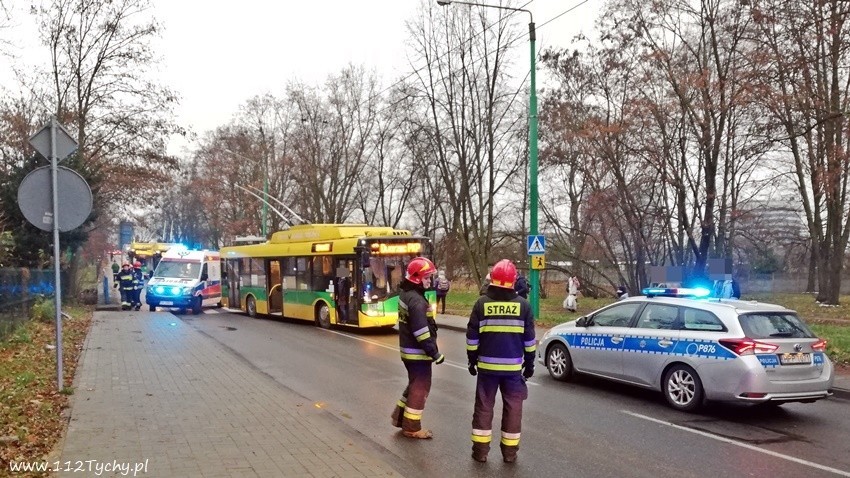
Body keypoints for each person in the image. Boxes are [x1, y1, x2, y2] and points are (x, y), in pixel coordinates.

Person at [466, 259, 535, 463]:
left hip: (486, 369)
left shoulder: (481, 304)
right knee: (513, 408)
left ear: (492, 280)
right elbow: (530, 341)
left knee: (484, 407)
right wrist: (529, 364)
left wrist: (472, 360)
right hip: (513, 369)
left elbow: (472, 338)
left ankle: (480, 452)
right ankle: (510, 454)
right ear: (513, 281)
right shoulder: (523, 306)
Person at [391, 257, 445, 439]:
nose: (429, 281)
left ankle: (399, 418)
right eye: (427, 277)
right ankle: (412, 427)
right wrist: (434, 353)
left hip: (408, 351)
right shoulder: (416, 301)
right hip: (418, 354)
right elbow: (422, 332)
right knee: (420, 388)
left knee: (413, 385)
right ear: (417, 278)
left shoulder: (406, 295)